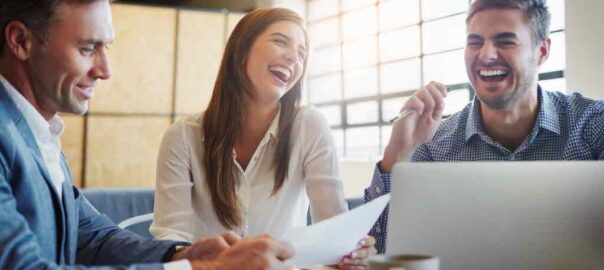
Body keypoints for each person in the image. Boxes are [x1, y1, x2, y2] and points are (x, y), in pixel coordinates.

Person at [0, 0, 295, 269]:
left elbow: (91, 237)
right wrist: (199, 269)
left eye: (107, 48)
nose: (105, 70)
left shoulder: (40, 133)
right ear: (21, 41)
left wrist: (180, 255)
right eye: (88, 48)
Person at [365, 0, 604, 254]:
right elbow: (380, 249)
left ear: (542, 51)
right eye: (475, 42)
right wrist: (397, 153)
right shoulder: (434, 144)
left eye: (505, 41)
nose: (486, 55)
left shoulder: (593, 124)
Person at [150, 7, 376, 269]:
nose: (294, 57)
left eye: (302, 53)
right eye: (280, 41)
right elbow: (170, 239)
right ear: (242, 51)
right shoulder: (182, 137)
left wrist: (351, 253)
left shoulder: (309, 126)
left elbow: (334, 229)